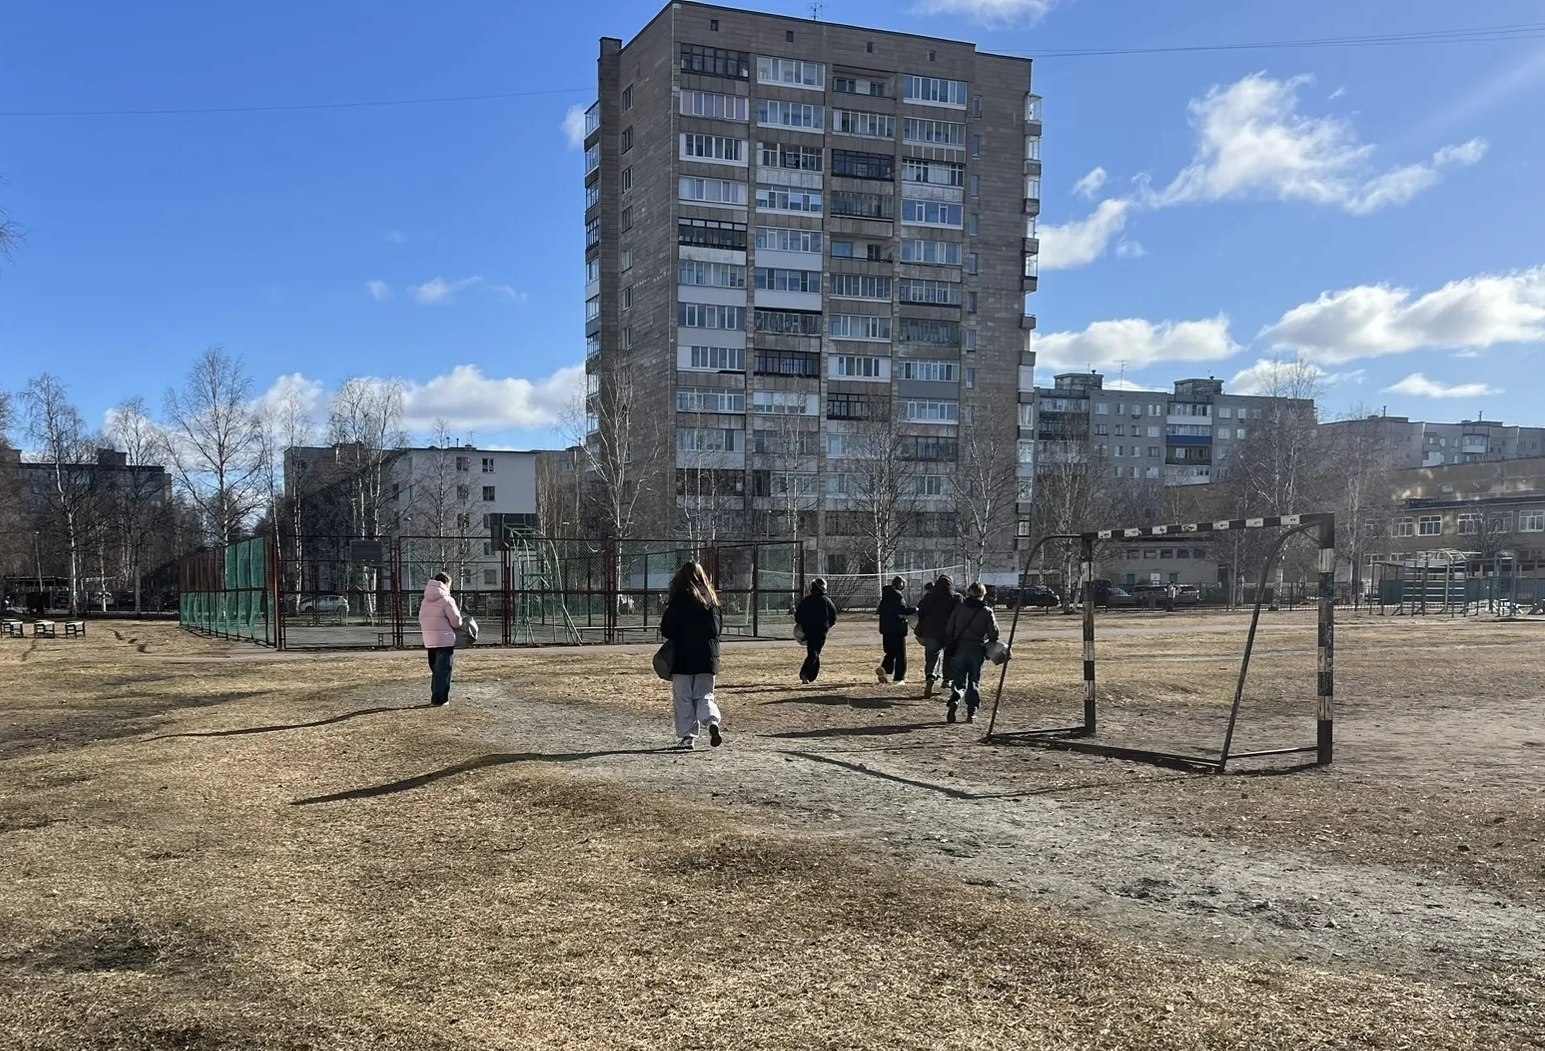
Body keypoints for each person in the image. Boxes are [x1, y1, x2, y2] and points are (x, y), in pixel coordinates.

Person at [660, 561, 725, 749]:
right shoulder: (712, 601)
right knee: (705, 696)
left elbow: (668, 628)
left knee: (683, 698)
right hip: (708, 658)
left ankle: (688, 737)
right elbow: (717, 630)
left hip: (684, 657)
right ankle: (712, 721)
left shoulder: (680, 599)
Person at [943, 582, 1001, 724]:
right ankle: (972, 712)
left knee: (958, 679)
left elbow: (949, 628)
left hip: (958, 648)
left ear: (969, 592)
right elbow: (994, 633)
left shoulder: (959, 608)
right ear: (983, 594)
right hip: (977, 649)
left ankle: (955, 698)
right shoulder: (987, 611)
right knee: (974, 680)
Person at [418, 572, 463, 707]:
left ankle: (435, 697)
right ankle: (441, 699)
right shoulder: (447, 600)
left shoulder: (425, 600)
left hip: (429, 639)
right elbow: (455, 621)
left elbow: (421, 618)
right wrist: (460, 623)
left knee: (436, 670)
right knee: (443, 671)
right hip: (444, 639)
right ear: (446, 583)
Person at [914, 574, 962, 698]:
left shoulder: (929, 597)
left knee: (932, 654)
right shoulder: (956, 598)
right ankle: (947, 679)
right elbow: (962, 614)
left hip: (931, 631)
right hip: (950, 632)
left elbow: (920, 612)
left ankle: (931, 675)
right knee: (949, 655)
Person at [794, 578, 839, 684]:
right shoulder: (826, 601)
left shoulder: (807, 600)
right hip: (821, 631)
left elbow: (798, 615)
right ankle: (806, 674)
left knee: (813, 651)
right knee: (814, 652)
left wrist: (803, 624)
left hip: (808, 629)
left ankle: (810, 675)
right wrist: (827, 626)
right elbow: (833, 617)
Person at [875, 576, 916, 685]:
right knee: (900, 654)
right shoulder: (898, 596)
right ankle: (899, 677)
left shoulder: (885, 596)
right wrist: (915, 609)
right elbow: (902, 610)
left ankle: (884, 668)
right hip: (897, 629)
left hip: (886, 629)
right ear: (900, 584)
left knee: (890, 651)